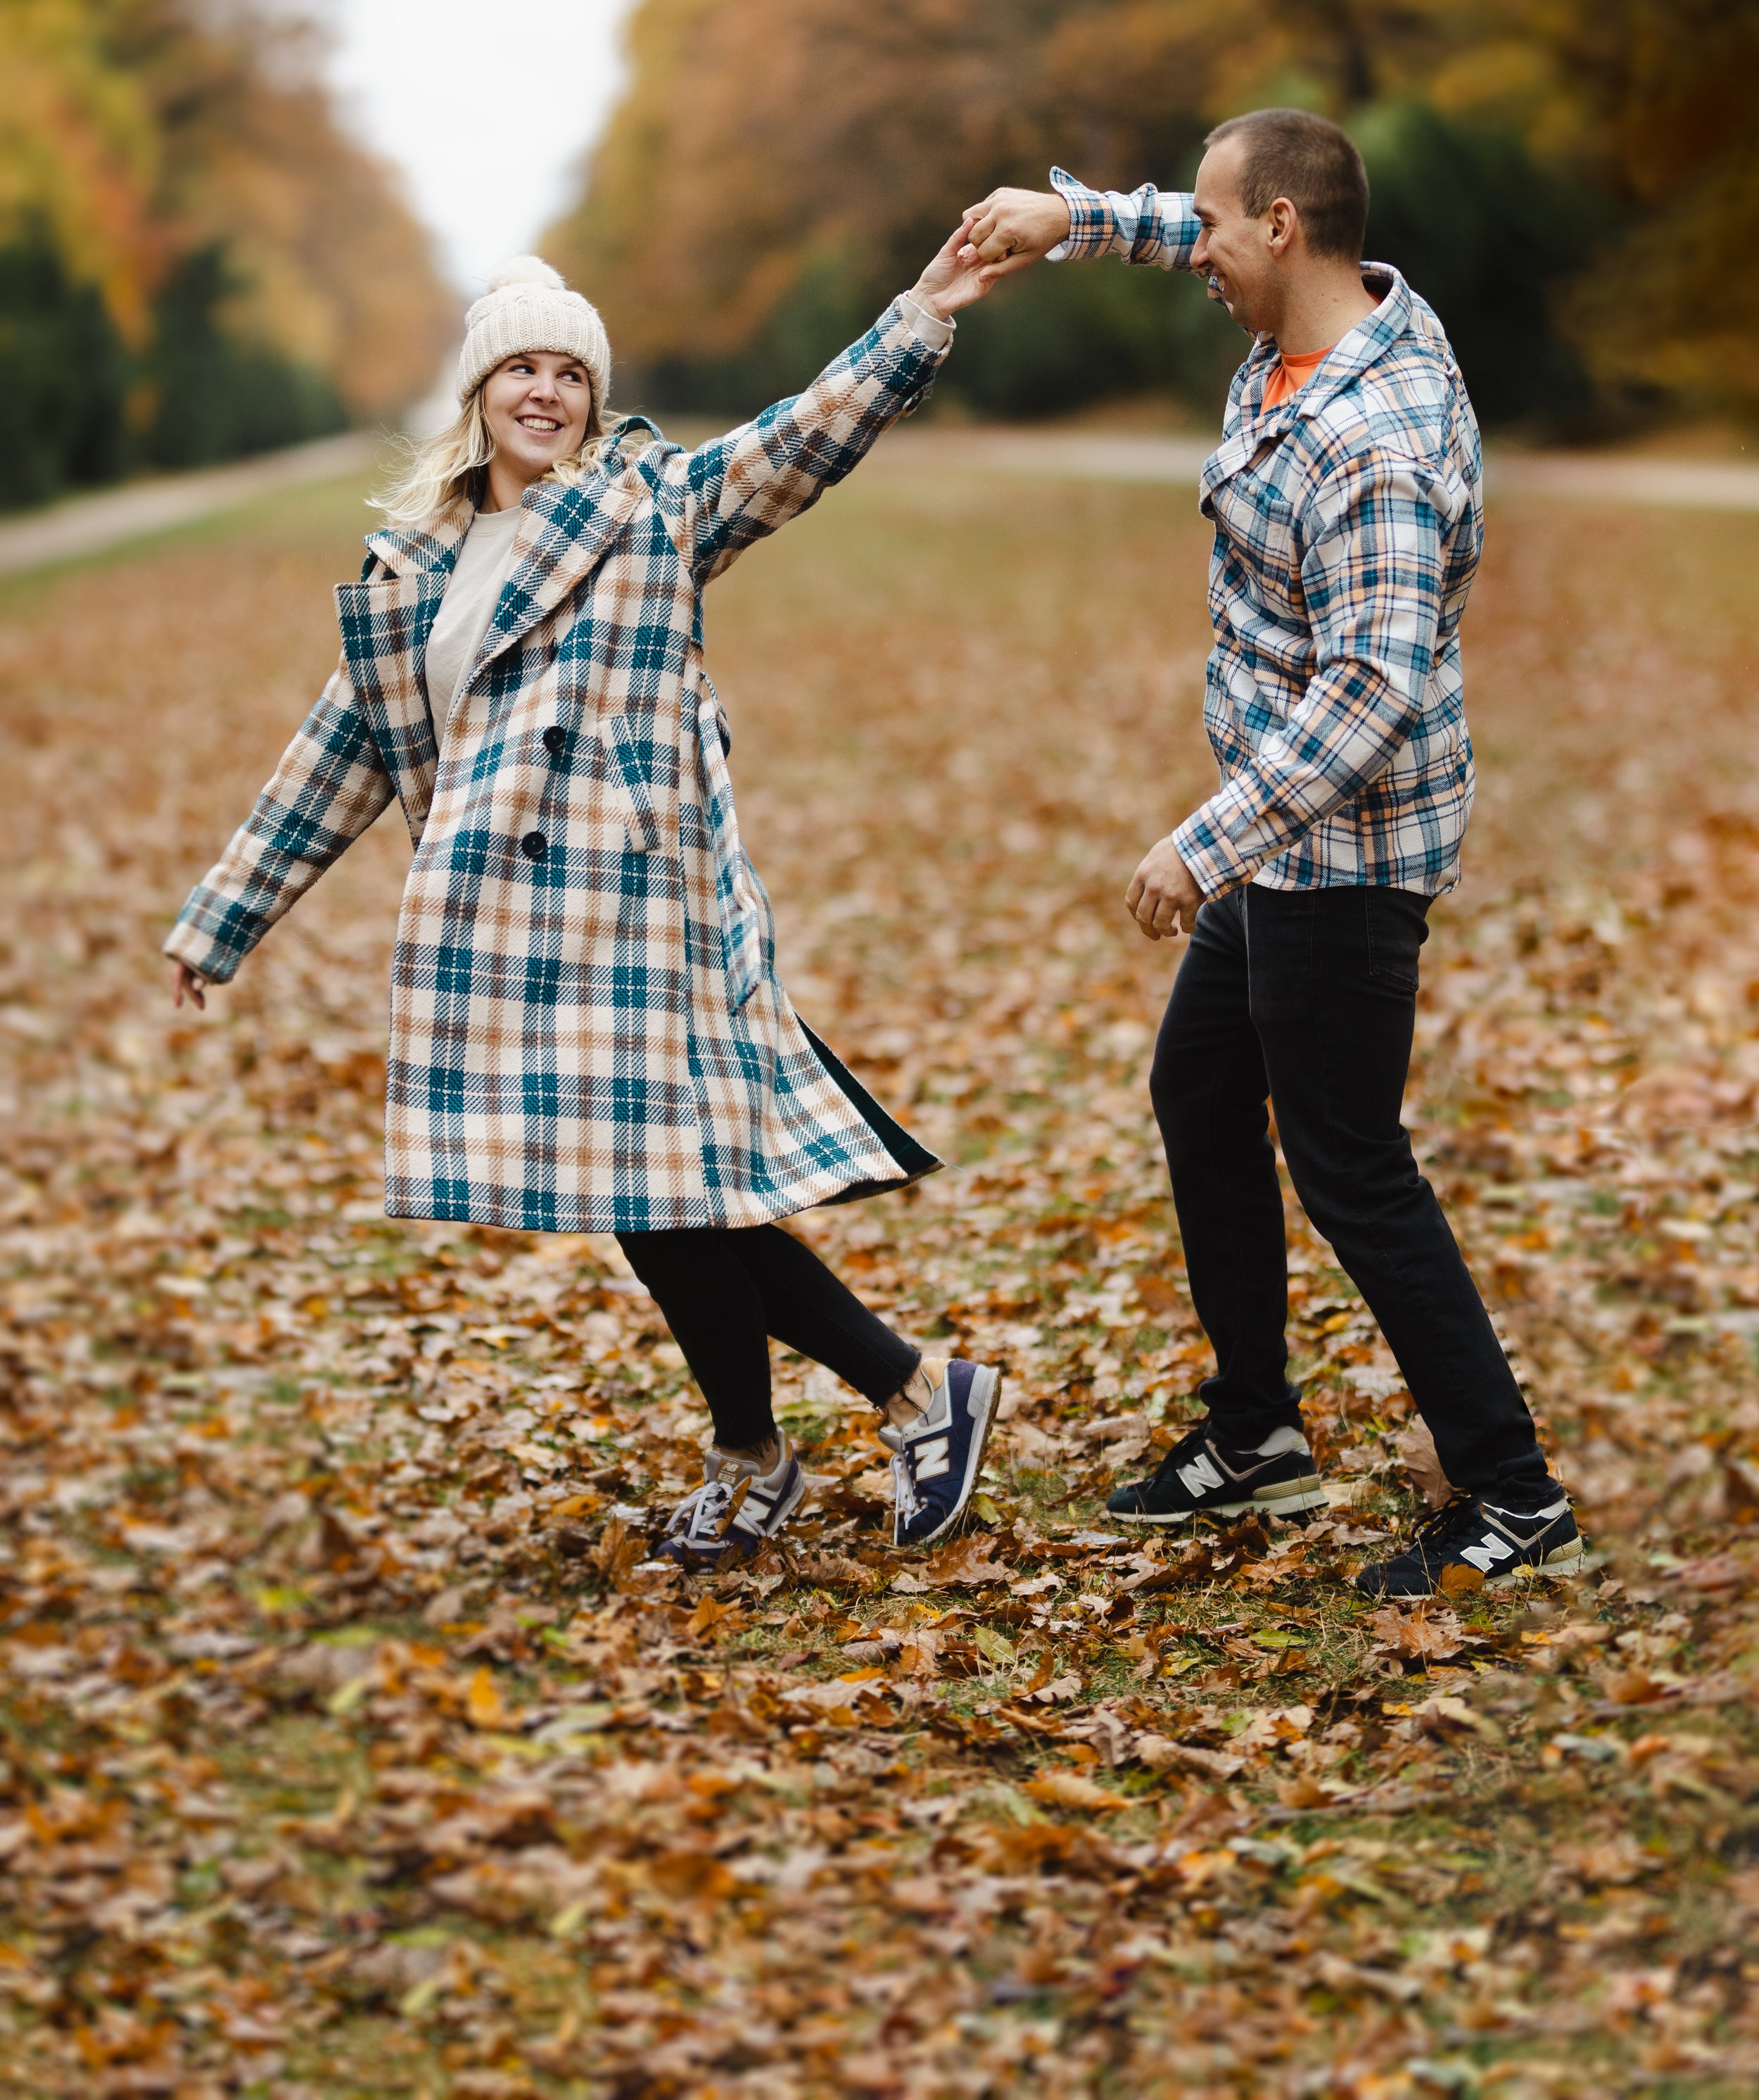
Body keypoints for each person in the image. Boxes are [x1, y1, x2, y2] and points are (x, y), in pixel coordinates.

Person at [165, 249, 1001, 1573]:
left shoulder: (652, 507)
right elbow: (347, 752)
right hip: (505, 926)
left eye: (570, 372)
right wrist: (224, 919)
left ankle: (897, 1395)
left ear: (594, 397)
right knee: (648, 1195)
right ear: (479, 389)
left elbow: (802, 440)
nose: (545, 392)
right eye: (522, 367)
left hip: (638, 909)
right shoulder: (413, 565)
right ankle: (768, 1444)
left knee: (668, 1195)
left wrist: (919, 322)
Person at [958, 110, 1582, 1600]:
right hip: (1289, 841)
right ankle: (1254, 1430)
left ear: (1287, 231)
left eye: (1219, 231)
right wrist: (1073, 221)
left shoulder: (1367, 434)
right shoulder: (1322, 307)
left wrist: (1204, 838)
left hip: (1337, 846)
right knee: (1195, 1088)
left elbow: (1371, 688)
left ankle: (1512, 1496)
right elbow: (1202, 220)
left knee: (1352, 1167)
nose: (1202, 252)